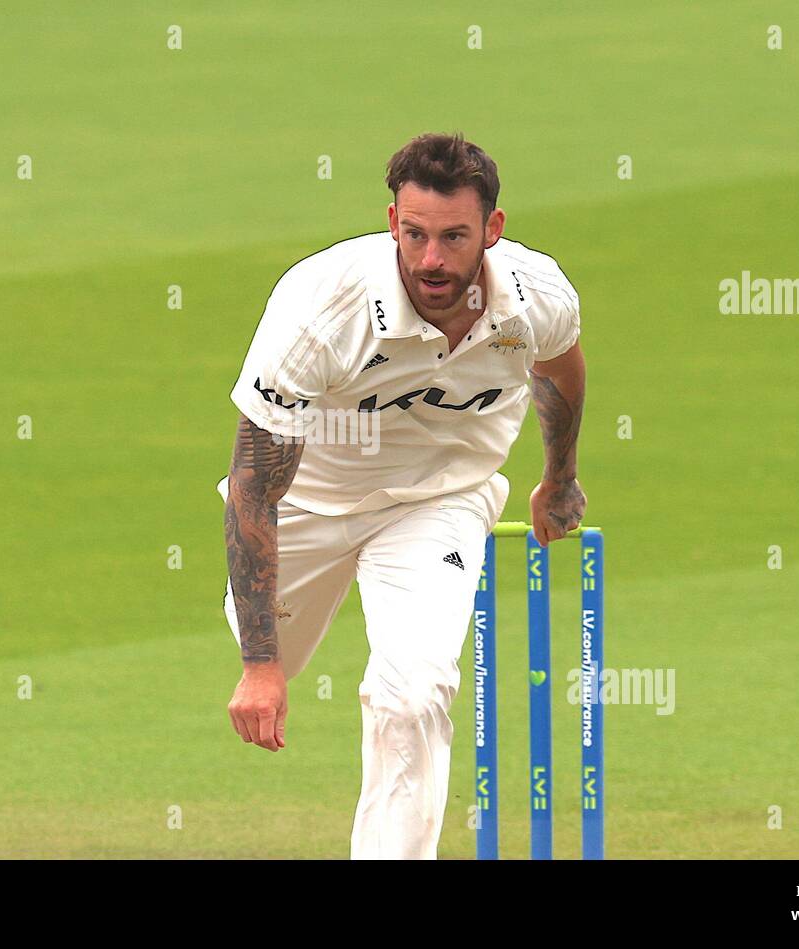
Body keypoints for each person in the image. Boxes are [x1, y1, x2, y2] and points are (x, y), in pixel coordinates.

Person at [217, 132, 587, 859]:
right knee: (272, 657)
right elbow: (255, 489)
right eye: (415, 235)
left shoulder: (536, 296)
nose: (431, 260)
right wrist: (260, 665)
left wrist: (561, 478)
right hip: (310, 505)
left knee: (413, 692)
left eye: (454, 237)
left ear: (493, 229)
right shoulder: (320, 309)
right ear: (392, 222)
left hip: (439, 499)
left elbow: (560, 372)